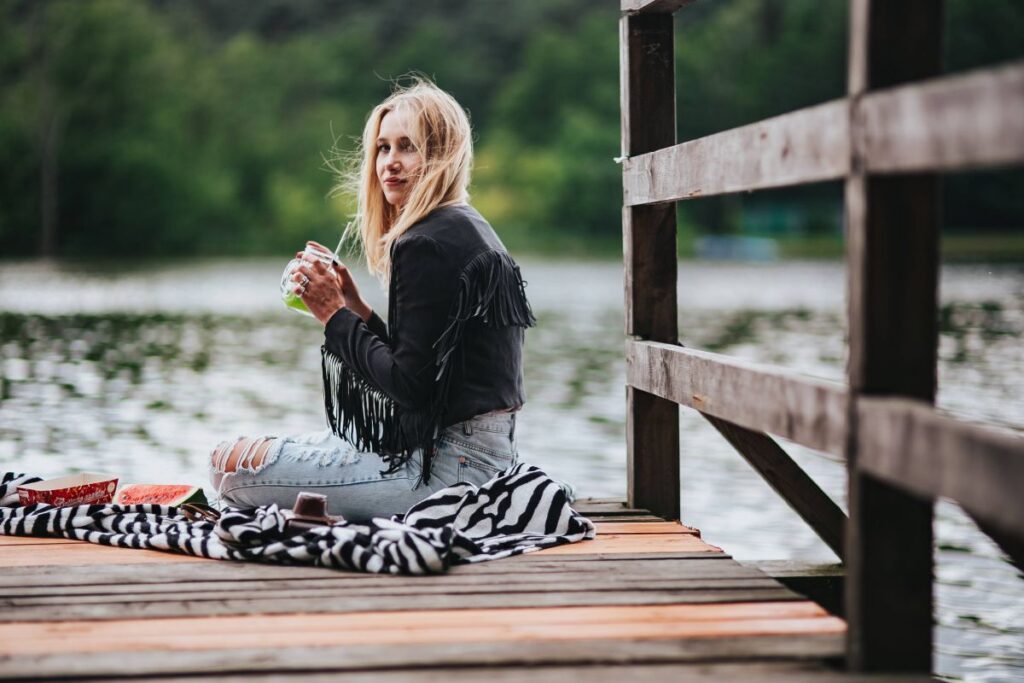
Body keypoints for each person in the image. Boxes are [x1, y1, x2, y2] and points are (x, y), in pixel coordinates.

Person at [208, 78, 537, 520]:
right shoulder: (465, 225)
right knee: (247, 453)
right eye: (383, 148)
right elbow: (429, 366)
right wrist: (357, 309)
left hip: (442, 473)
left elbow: (408, 386)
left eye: (408, 147)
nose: (390, 163)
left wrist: (332, 316)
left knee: (230, 470)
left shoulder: (422, 242)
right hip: (486, 459)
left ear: (442, 154)